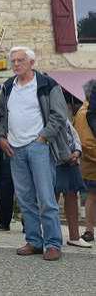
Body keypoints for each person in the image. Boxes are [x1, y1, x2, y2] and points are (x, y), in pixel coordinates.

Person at [0, 47, 70, 261]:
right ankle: (34, 241)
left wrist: (43, 137)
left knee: (46, 198)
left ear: (31, 63)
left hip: (39, 146)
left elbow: (59, 115)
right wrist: (1, 137)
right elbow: (2, 115)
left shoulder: (47, 84)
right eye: (13, 61)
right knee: (25, 199)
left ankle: (53, 243)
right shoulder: (9, 87)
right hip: (14, 148)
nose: (16, 64)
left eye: (20, 60)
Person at [55, 120, 89, 248]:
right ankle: (52, 236)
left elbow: (74, 135)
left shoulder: (64, 118)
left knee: (72, 195)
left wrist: (77, 152)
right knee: (52, 198)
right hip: (55, 160)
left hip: (71, 160)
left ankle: (74, 236)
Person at [74, 79, 96, 245]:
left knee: (92, 196)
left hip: (90, 160)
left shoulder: (85, 110)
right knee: (92, 196)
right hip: (92, 160)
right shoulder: (85, 112)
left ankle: (89, 230)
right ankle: (89, 230)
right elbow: (86, 142)